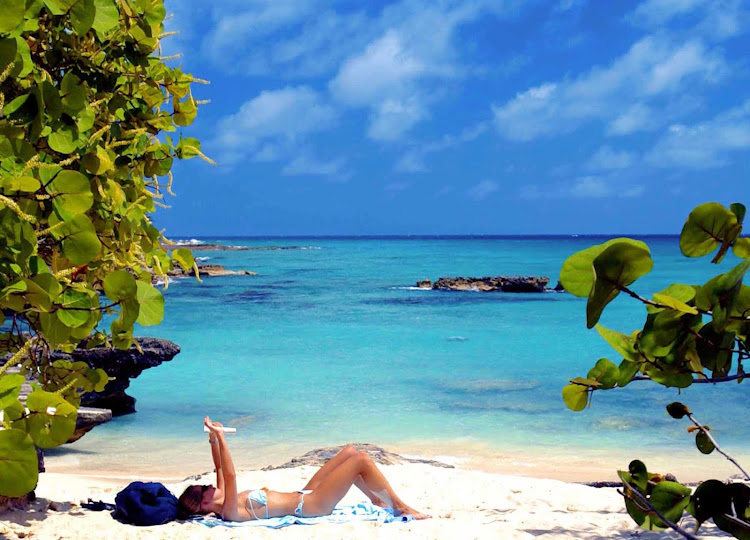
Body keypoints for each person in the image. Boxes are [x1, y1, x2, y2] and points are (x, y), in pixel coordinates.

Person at [176, 417, 430, 521]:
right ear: (202, 505)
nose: (209, 485)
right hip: (311, 506)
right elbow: (230, 474)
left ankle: (376, 499)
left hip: (304, 493)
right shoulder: (229, 511)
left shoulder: (220, 497)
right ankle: (400, 507)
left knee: (350, 452)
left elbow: (219, 466)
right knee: (361, 460)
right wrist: (222, 436)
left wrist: (212, 437)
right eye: (204, 489)